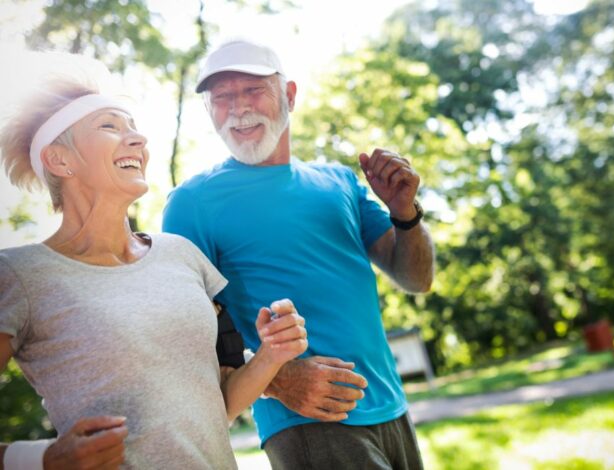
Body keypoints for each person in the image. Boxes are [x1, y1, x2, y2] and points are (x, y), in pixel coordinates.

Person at [0, 67, 308, 469]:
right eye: (109, 126)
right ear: (60, 159)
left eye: (134, 128)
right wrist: (45, 459)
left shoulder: (180, 254)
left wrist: (271, 355)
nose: (139, 139)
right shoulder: (21, 275)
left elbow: (219, 407)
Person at [162, 39, 435, 469]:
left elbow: (416, 279)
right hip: (307, 419)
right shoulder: (192, 202)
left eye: (252, 91)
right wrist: (278, 379)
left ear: (289, 96)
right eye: (222, 98)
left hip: (391, 407)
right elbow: (185, 332)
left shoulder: (339, 182)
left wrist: (404, 213)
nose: (237, 108)